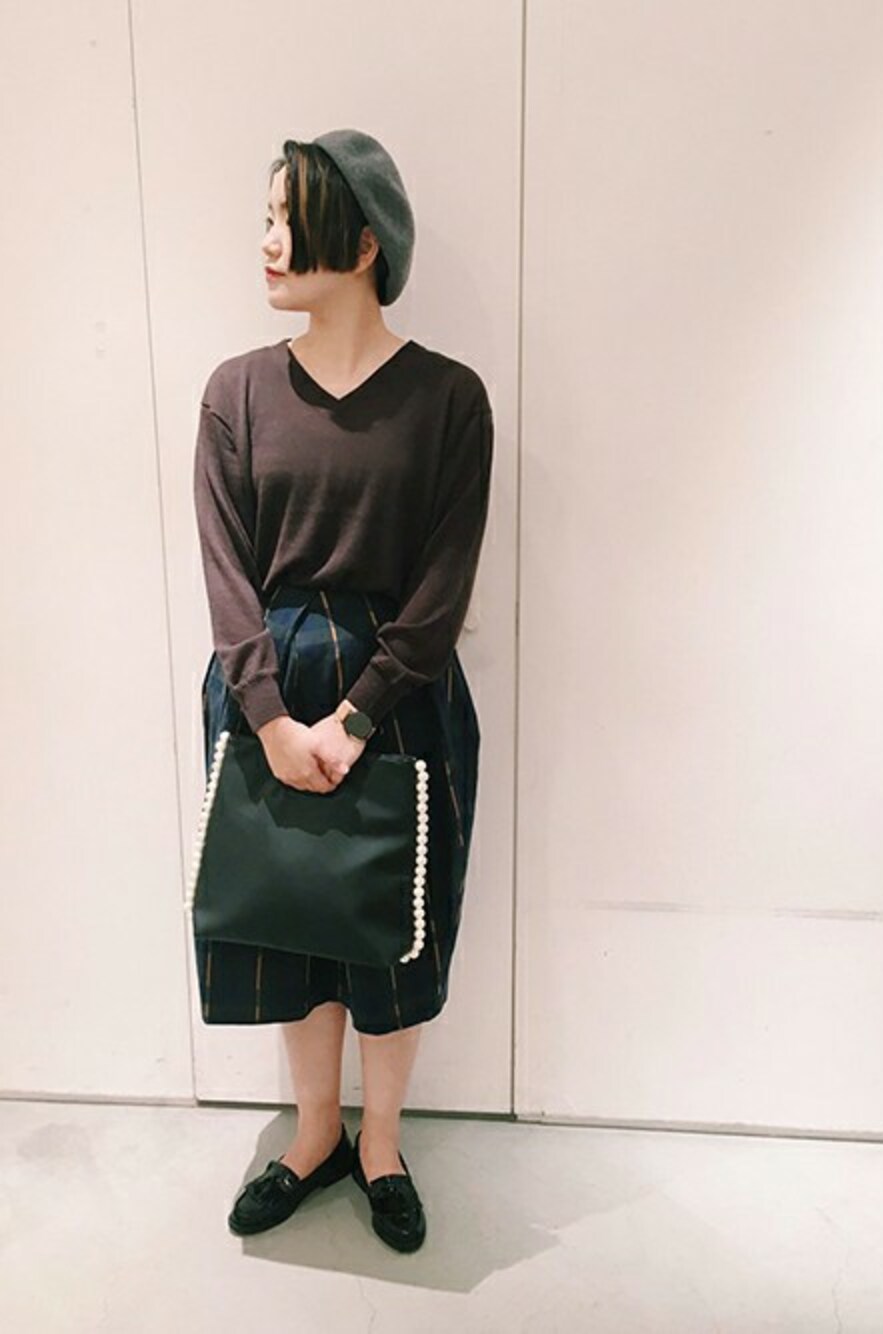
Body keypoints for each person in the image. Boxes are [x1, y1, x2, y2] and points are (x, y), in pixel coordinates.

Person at [192, 128, 494, 1252]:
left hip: (399, 693)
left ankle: (382, 1143)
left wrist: (357, 715)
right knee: (289, 915)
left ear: (364, 243)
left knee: (392, 929)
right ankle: (314, 1131)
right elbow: (226, 576)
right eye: (266, 217)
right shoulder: (236, 391)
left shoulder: (450, 400)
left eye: (290, 217)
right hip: (267, 691)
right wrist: (273, 721)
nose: (268, 241)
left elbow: (442, 586)